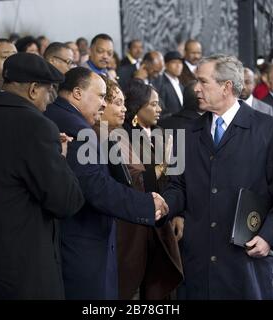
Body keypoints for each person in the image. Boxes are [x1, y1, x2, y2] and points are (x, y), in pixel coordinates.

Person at [163, 55, 273, 299]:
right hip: (198, 263)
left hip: (248, 263)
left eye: (203, 82)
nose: (196, 88)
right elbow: (177, 186)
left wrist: (269, 238)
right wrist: (163, 206)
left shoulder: (270, 129)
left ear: (226, 87)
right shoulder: (185, 133)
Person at [0, 53, 85, 299]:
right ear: (33, 90)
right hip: (28, 273)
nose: (48, 99)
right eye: (48, 91)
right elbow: (67, 201)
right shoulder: (38, 126)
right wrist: (60, 157)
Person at [44, 67, 169, 299]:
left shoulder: (62, 118)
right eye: (101, 96)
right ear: (78, 93)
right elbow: (95, 187)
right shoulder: (78, 128)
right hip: (82, 245)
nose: (104, 104)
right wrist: (146, 205)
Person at [118, 79, 184, 299]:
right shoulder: (122, 135)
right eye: (153, 104)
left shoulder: (162, 132)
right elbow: (136, 181)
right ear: (137, 107)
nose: (159, 109)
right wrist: (164, 163)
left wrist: (177, 213)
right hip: (135, 226)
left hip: (163, 221)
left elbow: (177, 178)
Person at [155, 51, 184, 119]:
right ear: (166, 65)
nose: (178, 66)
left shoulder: (181, 85)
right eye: (174, 62)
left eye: (180, 63)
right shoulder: (160, 83)